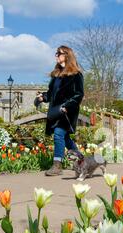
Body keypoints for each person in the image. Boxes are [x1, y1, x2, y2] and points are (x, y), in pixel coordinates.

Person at [37, 45, 84, 176]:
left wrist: (67, 106)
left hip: (67, 112)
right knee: (65, 138)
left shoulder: (76, 75)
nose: (56, 55)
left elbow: (79, 94)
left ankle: (57, 165)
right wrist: (42, 97)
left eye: (59, 53)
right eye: (56, 53)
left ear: (67, 56)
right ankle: (81, 160)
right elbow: (51, 94)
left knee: (58, 133)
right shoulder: (56, 76)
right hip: (55, 111)